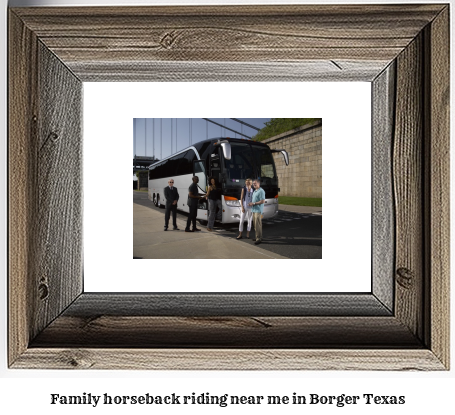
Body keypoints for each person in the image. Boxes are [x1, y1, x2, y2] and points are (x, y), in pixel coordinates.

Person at [249, 178, 265, 245]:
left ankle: (259, 239)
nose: (254, 184)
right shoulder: (255, 191)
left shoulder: (261, 191)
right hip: (254, 210)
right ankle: (258, 237)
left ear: (259, 183)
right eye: (253, 183)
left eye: (255, 183)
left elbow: (262, 201)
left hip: (258, 211)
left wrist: (254, 203)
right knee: (256, 225)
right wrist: (251, 203)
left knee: (257, 225)